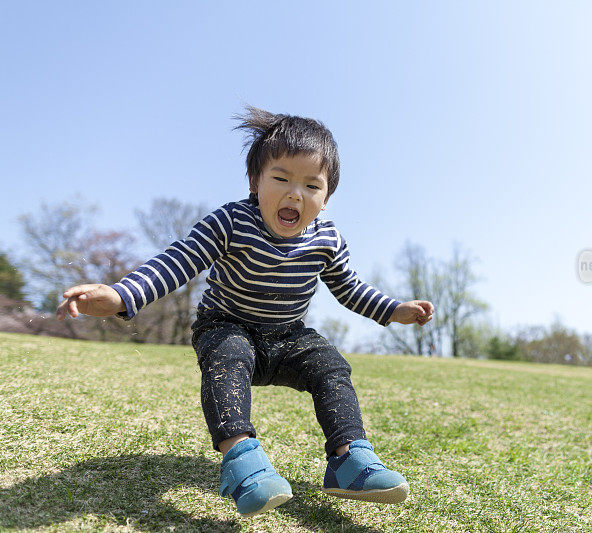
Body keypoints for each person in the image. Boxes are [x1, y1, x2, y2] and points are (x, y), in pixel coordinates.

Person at [56, 105, 434, 517]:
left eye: (312, 185)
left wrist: (395, 310)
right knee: (229, 358)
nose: (295, 193)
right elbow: (180, 260)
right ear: (255, 182)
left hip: (287, 335)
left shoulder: (327, 239)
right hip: (226, 325)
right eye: (281, 178)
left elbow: (351, 289)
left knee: (331, 365)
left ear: (326, 199)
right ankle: (243, 463)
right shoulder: (232, 221)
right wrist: (122, 296)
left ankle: (349, 460)